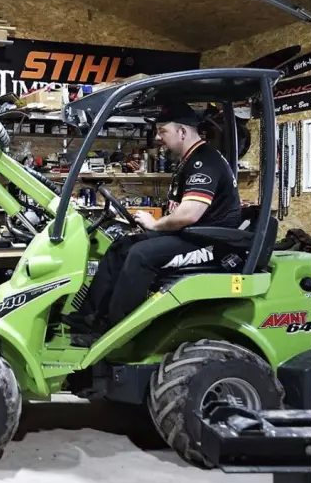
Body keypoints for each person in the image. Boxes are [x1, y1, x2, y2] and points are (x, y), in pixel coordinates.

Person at [67, 103, 242, 347]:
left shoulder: (204, 161)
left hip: (212, 244)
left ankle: (116, 332)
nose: (158, 138)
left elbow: (189, 214)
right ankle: (87, 321)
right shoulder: (190, 160)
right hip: (192, 236)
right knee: (123, 246)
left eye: (163, 131)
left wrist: (155, 224)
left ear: (182, 131)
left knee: (141, 255)